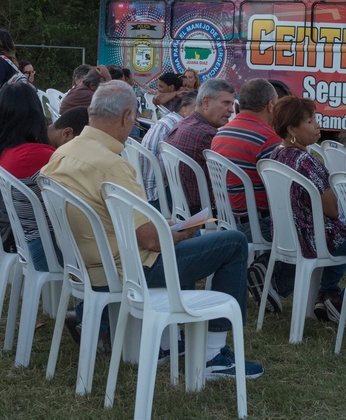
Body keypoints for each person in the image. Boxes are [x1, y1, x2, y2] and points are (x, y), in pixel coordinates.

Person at [40, 81, 263, 379]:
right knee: (233, 242)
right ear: (127, 116)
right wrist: (180, 230)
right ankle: (213, 356)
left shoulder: (62, 154)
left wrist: (169, 229)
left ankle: (168, 342)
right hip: (128, 271)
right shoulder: (112, 165)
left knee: (191, 237)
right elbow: (153, 241)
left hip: (84, 267)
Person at [269, 96, 346, 330]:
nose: (317, 125)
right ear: (292, 129)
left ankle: (327, 295)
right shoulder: (307, 161)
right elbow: (331, 210)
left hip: (287, 236)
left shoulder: (275, 156)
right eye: (310, 121)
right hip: (315, 239)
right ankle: (335, 298)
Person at [210, 79, 282, 313]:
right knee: (309, 229)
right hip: (256, 226)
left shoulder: (220, 133)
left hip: (227, 220)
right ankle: (269, 274)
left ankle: (265, 273)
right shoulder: (268, 139)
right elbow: (281, 191)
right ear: (271, 105)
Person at [0, 81, 57, 263]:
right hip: (44, 246)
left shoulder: (7, 150)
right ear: (35, 113)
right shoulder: (34, 155)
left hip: (20, 239)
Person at [162, 79, 236, 214]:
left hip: (179, 209)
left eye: (232, 104)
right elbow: (232, 182)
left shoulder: (181, 125)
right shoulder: (207, 135)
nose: (231, 110)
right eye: (226, 103)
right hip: (205, 216)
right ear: (206, 102)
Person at [141, 90, 198, 209]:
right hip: (160, 195)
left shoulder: (169, 120)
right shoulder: (180, 126)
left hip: (145, 190)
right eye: (197, 108)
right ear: (184, 108)